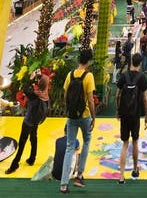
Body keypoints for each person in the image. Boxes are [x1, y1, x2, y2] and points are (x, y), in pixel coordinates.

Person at [60, 48, 96, 194]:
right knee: (87, 140)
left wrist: (68, 110)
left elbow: (65, 95)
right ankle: (79, 174)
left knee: (69, 147)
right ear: (88, 61)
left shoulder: (70, 75)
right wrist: (94, 117)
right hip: (85, 115)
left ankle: (63, 184)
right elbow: (90, 100)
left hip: (71, 116)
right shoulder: (89, 76)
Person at [6, 73, 50, 174]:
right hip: (36, 121)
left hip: (28, 121)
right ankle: (32, 158)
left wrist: (30, 79)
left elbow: (25, 89)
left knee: (22, 143)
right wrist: (38, 78)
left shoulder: (34, 95)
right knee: (33, 137)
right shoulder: (44, 93)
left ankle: (14, 165)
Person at [116, 52, 147, 183]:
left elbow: (117, 95)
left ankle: (121, 176)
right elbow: (145, 99)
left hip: (124, 114)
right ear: (140, 63)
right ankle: (135, 170)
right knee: (135, 141)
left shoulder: (124, 76)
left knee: (124, 143)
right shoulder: (142, 78)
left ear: (131, 62)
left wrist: (118, 111)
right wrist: (146, 115)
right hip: (135, 114)